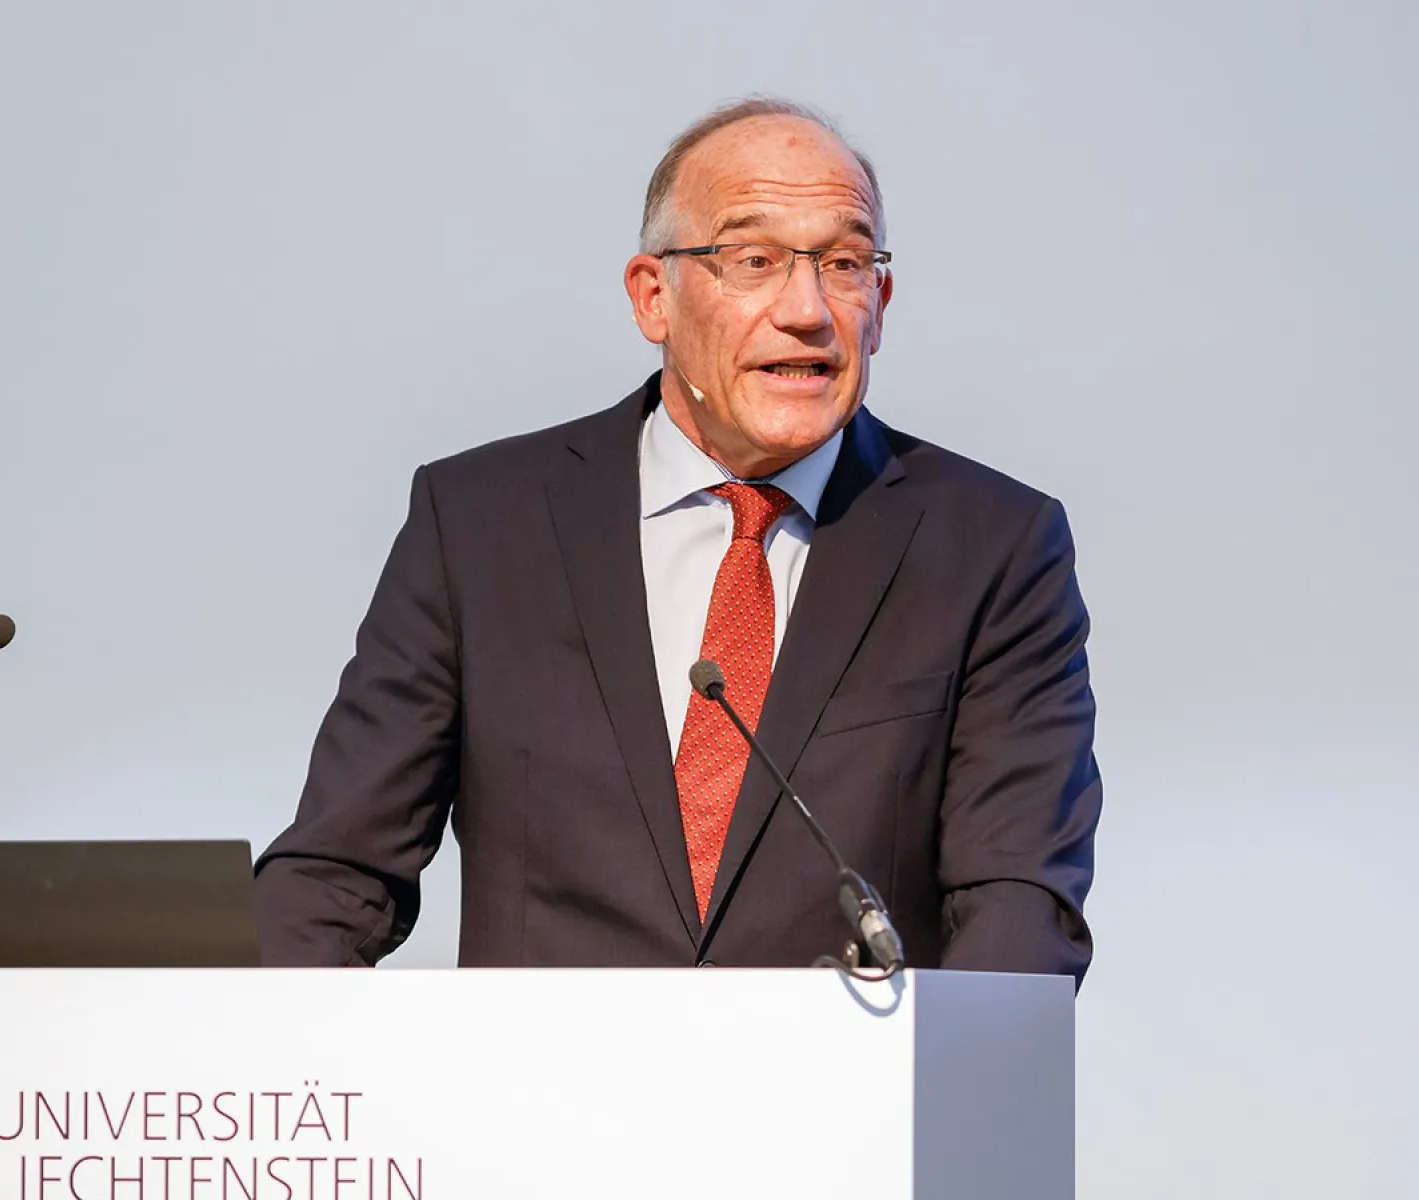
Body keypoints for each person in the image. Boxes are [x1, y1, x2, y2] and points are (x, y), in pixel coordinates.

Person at [252, 97, 1103, 986]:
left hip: (844, 1114)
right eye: (755, 260)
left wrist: (956, 1098)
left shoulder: (993, 548)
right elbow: (340, 874)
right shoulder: (478, 523)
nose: (807, 309)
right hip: (534, 1109)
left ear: (879, 303)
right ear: (653, 296)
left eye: (845, 263)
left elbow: (1018, 903)